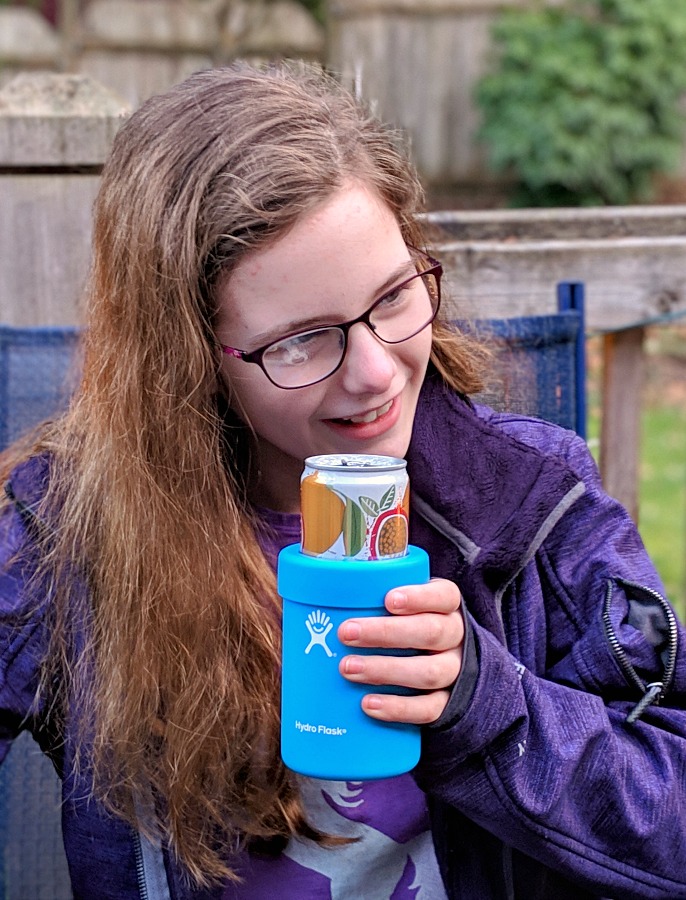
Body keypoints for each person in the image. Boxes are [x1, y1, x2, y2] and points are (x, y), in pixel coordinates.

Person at [0, 60, 684, 900]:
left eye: (394, 296)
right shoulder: (66, 535)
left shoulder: (528, 503)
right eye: (301, 340)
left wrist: (485, 702)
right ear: (185, 359)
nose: (374, 373)